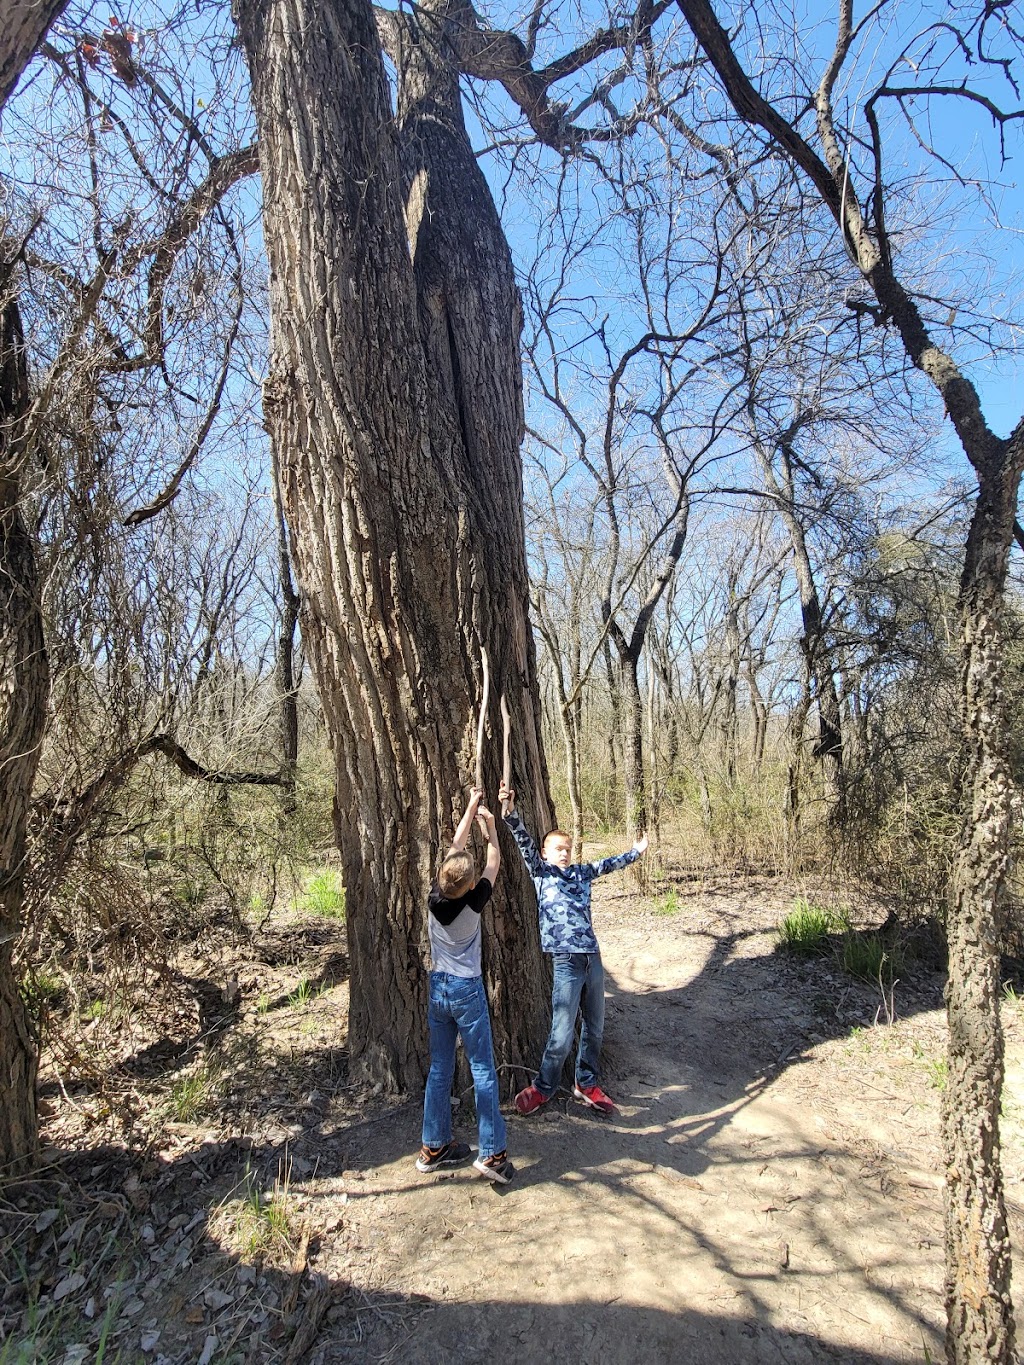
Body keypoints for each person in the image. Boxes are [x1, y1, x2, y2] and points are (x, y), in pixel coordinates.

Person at [499, 780, 648, 1116]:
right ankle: (543, 1088)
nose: (564, 852)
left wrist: (637, 852)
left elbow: (610, 864)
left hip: (591, 957)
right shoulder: (541, 874)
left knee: (594, 1027)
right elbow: (522, 841)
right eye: (557, 848)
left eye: (567, 847)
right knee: (562, 1032)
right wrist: (510, 813)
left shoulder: (581, 873)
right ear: (545, 854)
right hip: (565, 961)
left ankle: (587, 1082)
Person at [415, 786, 515, 1185]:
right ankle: (492, 1154)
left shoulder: (435, 896)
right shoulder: (474, 904)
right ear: (472, 886)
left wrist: (471, 805)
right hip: (466, 991)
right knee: (483, 1069)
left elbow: (456, 850)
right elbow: (494, 859)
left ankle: (434, 1145)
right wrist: (490, 826)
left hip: (437, 987)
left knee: (439, 1067)